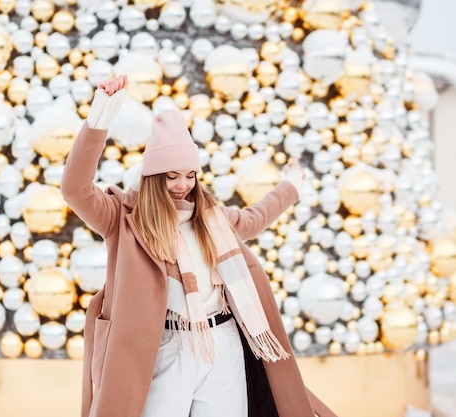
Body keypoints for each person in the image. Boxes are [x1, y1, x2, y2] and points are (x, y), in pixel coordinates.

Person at [61, 75, 338, 417]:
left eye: (189, 175)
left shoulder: (211, 218)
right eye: (171, 175)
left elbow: (255, 217)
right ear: (152, 176)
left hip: (222, 343)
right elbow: (75, 189)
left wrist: (290, 187)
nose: (182, 185)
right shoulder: (123, 218)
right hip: (164, 347)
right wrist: (99, 118)